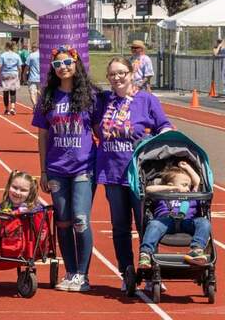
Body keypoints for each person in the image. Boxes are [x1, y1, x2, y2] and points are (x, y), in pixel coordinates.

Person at [93, 56, 172, 290]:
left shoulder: (146, 99)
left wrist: (158, 141)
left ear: (131, 73)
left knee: (145, 224)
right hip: (112, 173)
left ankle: (150, 271)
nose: (117, 78)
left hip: (140, 175)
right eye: (112, 74)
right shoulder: (104, 100)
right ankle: (126, 272)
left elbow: (164, 125)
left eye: (121, 73)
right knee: (120, 226)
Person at [33, 45, 99, 293]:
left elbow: (100, 132)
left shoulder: (90, 96)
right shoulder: (47, 97)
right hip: (56, 168)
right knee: (63, 222)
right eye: (57, 64)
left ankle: (83, 275)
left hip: (83, 168)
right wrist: (43, 170)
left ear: (76, 64)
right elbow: (41, 136)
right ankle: (70, 271)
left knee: (81, 220)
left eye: (67, 63)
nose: (63, 68)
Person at [138, 162, 211, 269]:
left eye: (189, 186)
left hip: (188, 222)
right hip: (165, 221)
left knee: (204, 222)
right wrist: (170, 189)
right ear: (170, 185)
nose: (187, 188)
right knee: (154, 224)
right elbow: (148, 190)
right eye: (184, 185)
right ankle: (145, 253)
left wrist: (188, 167)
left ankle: (197, 249)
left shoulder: (191, 194)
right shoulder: (162, 194)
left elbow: (197, 182)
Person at [0, 41, 23, 115]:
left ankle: (7, 109)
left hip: (5, 74)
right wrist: (20, 75)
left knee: (5, 92)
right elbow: (20, 67)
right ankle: (12, 107)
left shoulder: (3, 55)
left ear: (6, 47)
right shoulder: (16, 55)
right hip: (14, 73)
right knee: (13, 91)